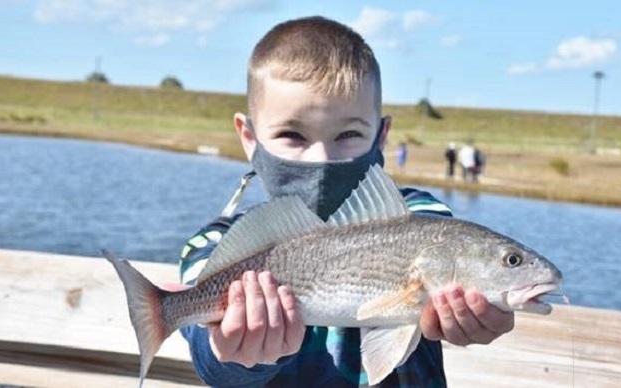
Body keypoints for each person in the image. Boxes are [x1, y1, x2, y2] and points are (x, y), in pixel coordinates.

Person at [176, 16, 513, 387]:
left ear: (381, 136)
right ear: (249, 137)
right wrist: (231, 353)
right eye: (292, 134)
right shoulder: (215, 243)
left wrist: (488, 310)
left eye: (348, 133)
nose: (321, 157)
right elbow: (209, 358)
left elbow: (453, 251)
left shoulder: (421, 220)